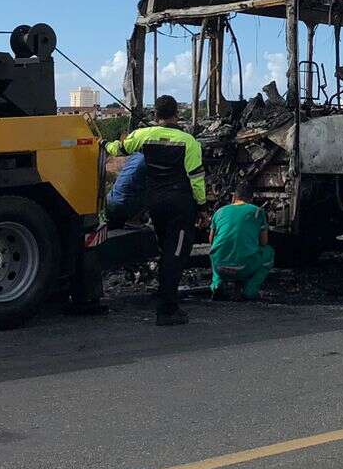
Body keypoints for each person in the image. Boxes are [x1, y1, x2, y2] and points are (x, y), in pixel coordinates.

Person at [101, 95, 205, 326]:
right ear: (176, 114)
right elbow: (196, 177)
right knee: (175, 255)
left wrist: (102, 144)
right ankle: (167, 310)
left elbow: (118, 149)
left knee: (166, 251)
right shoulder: (189, 142)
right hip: (180, 204)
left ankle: (166, 301)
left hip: (155, 205)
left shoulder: (143, 136)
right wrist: (202, 204)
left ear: (155, 115)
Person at [208, 186, 274, 301]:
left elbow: (211, 240)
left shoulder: (219, 212)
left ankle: (216, 284)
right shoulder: (257, 212)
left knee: (216, 250)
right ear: (251, 199)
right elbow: (264, 242)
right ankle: (250, 291)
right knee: (269, 252)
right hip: (244, 267)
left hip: (220, 267)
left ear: (234, 197)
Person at [104, 151, 147, 227]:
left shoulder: (136, 156)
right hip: (124, 207)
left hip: (109, 203)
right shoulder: (150, 161)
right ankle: (134, 221)